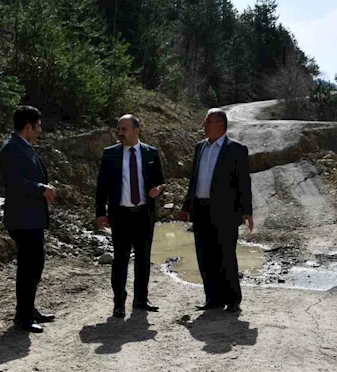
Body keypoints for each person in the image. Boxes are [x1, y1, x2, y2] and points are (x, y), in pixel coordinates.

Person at [178, 108, 253, 314]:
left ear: (220, 124)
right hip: (200, 210)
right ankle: (212, 299)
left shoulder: (236, 149)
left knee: (225, 256)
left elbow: (243, 183)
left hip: (225, 212)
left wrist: (246, 211)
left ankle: (232, 300)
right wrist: (186, 206)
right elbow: (194, 180)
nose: (204, 126)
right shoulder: (199, 148)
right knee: (205, 256)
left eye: (208, 122)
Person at [95, 114, 165, 317]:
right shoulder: (111, 154)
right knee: (120, 260)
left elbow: (161, 181)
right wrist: (100, 213)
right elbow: (102, 187)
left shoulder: (151, 153)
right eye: (118, 129)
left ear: (137, 130)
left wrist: (158, 190)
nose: (120, 133)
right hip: (120, 215)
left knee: (143, 260)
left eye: (124, 129)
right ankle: (119, 302)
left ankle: (141, 300)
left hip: (144, 214)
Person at [0, 105, 56, 333]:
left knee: (35, 264)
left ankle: (29, 309)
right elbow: (14, 182)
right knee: (28, 266)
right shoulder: (12, 148)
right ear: (28, 126)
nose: (40, 130)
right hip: (22, 218)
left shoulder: (23, 146)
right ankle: (23, 317)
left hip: (31, 216)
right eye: (38, 126)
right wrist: (41, 188)